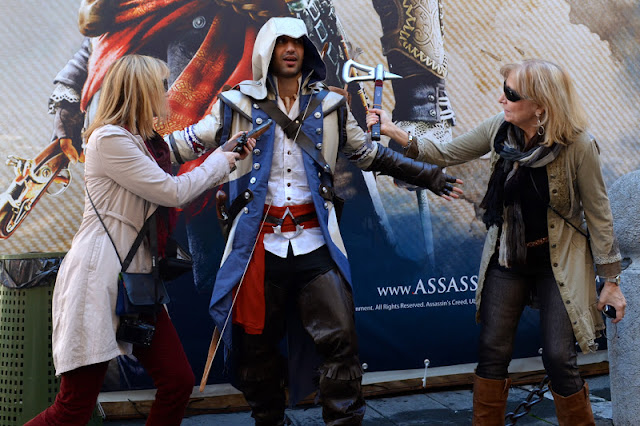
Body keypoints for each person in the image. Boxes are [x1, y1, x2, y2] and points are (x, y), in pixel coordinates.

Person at [166, 16, 462, 425]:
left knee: (340, 340)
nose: (291, 49)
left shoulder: (330, 105)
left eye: (297, 42)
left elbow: (368, 155)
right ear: (266, 50)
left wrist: (429, 176)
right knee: (256, 348)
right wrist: (125, 152)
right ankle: (270, 420)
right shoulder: (235, 104)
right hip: (257, 247)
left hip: (315, 243)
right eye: (282, 42)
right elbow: (182, 145)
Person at [368, 58, 627, 425]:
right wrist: (393, 131)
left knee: (559, 358)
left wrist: (611, 281)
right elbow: (445, 153)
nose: (501, 99)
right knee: (492, 351)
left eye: (511, 93)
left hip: (559, 263)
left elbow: (599, 216)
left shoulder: (578, 146)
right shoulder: (500, 130)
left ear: (541, 105)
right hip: (508, 256)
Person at [25, 54, 255, 426]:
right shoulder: (109, 139)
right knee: (72, 409)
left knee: (177, 382)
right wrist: (221, 163)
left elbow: (172, 165)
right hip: (99, 280)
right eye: (160, 86)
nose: (167, 92)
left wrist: (223, 153)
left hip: (135, 282)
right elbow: (172, 191)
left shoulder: (139, 141)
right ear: (141, 91)